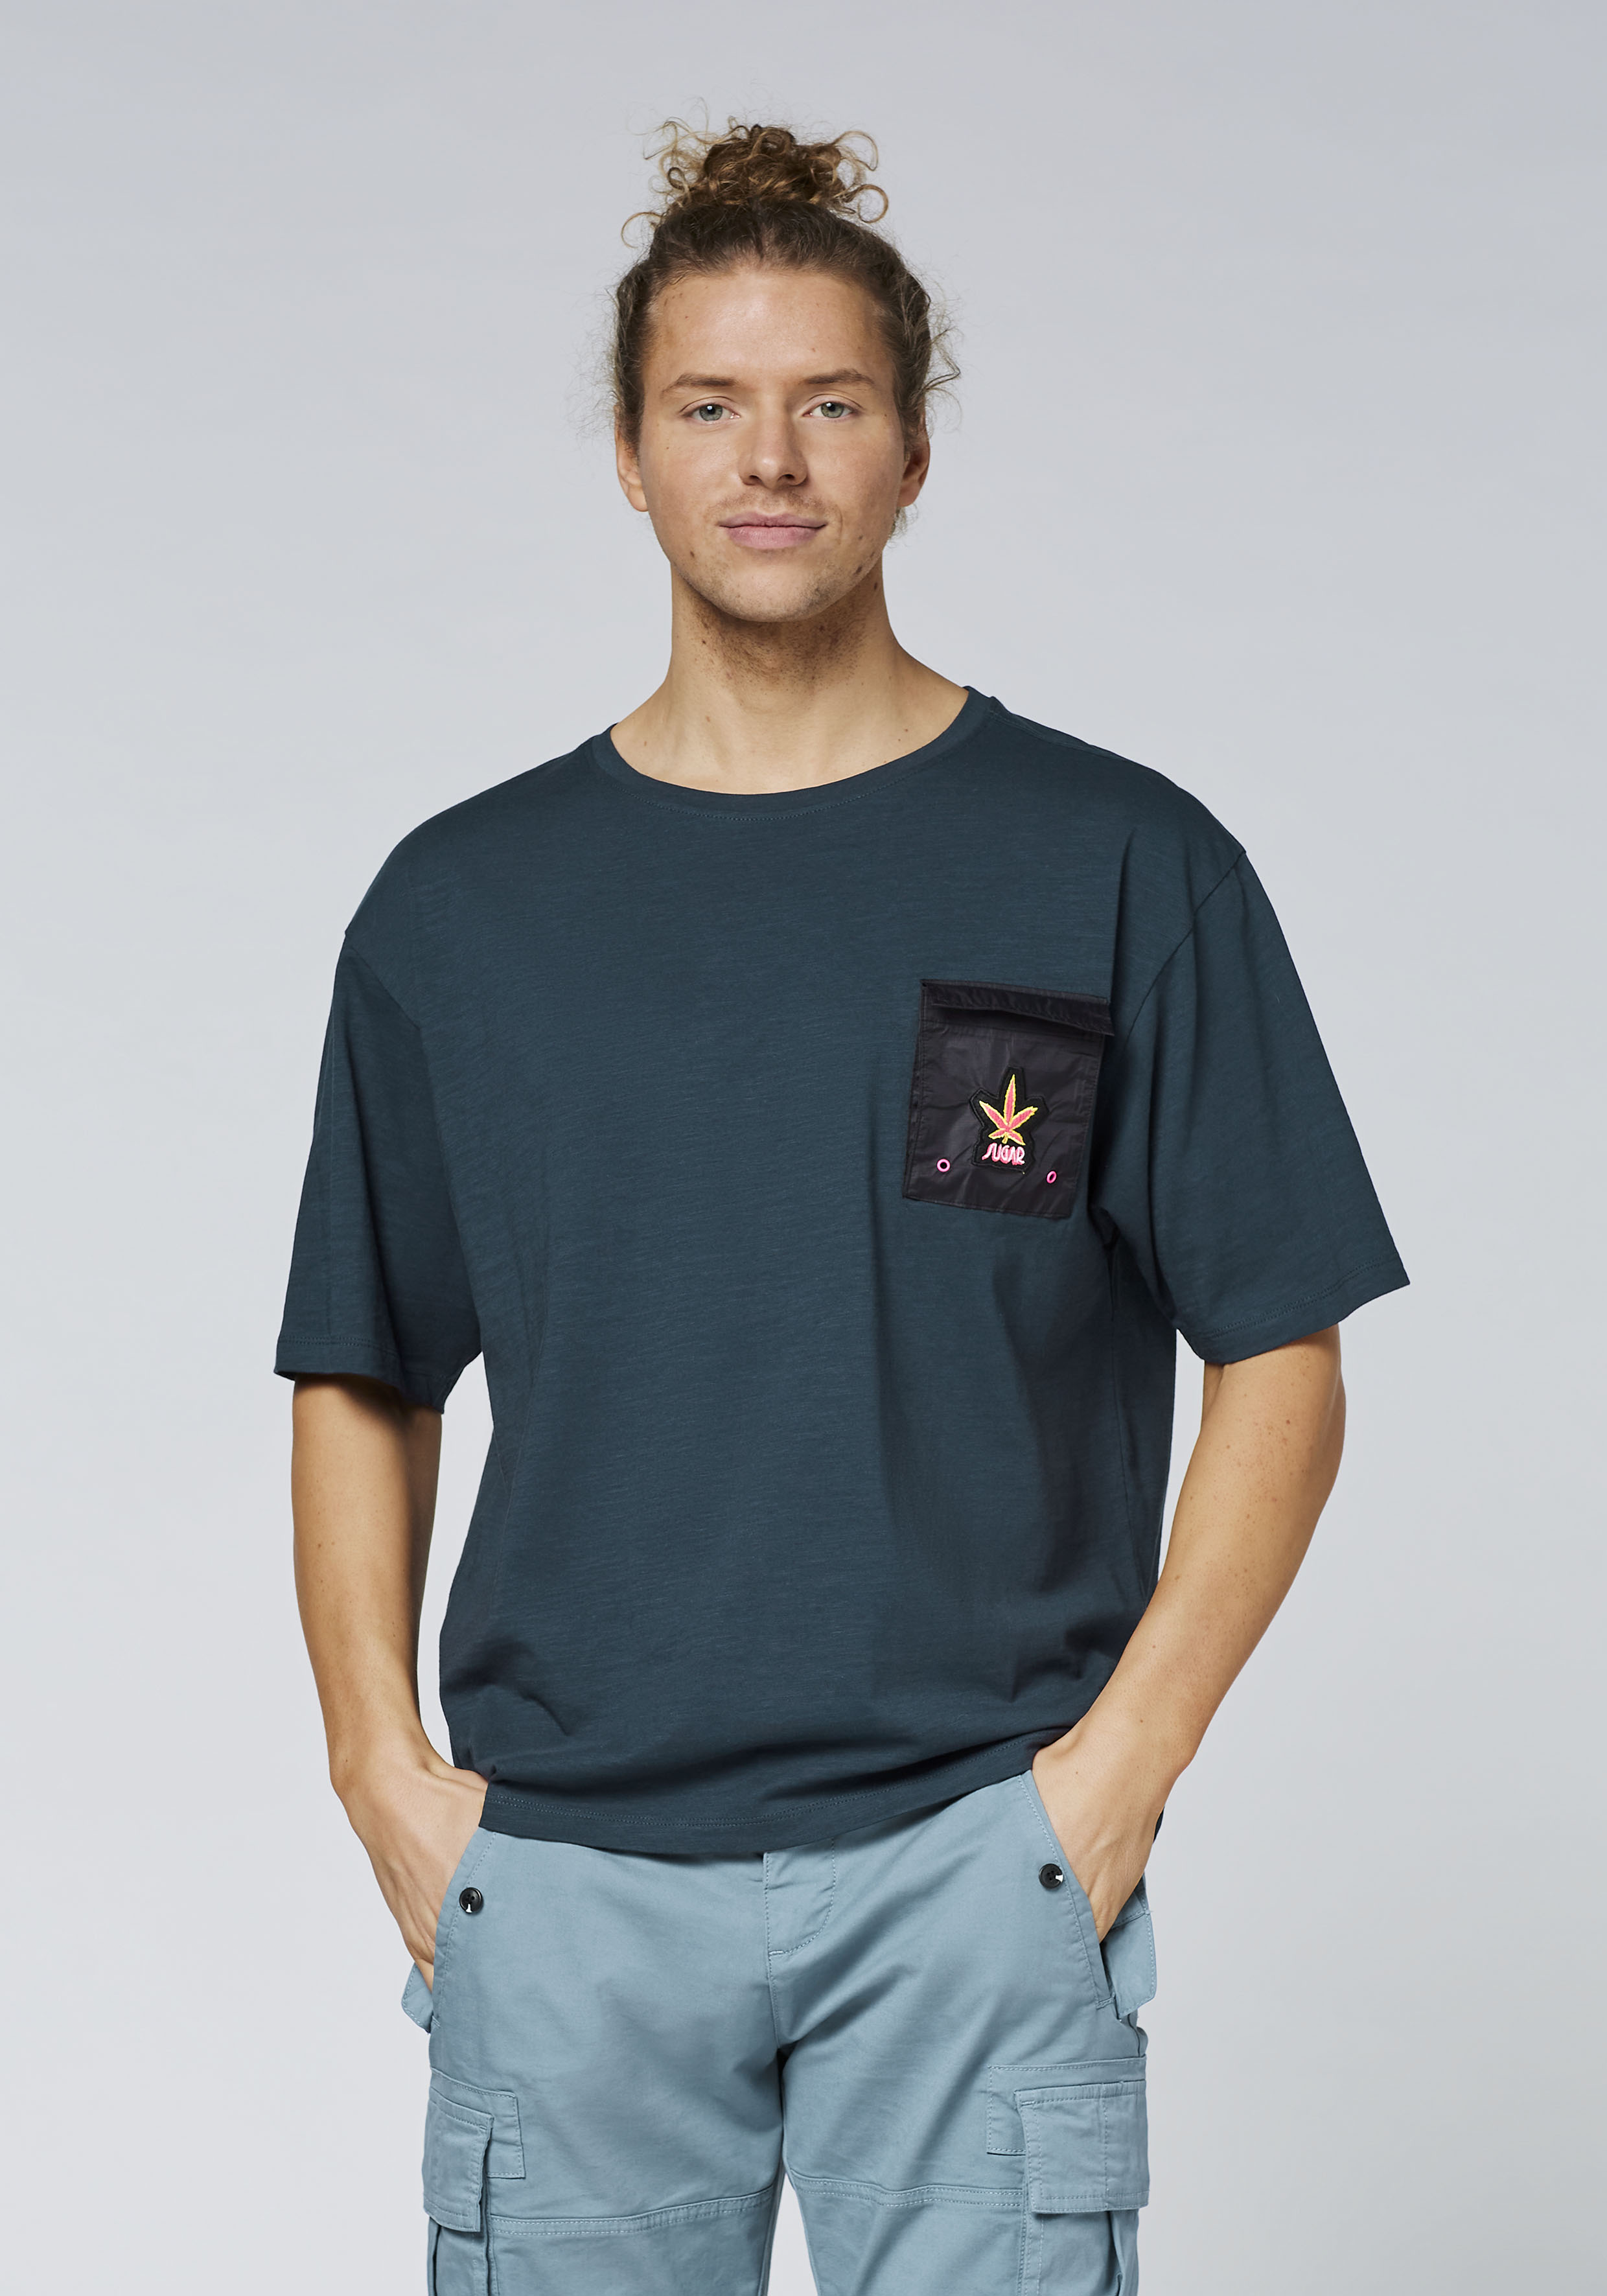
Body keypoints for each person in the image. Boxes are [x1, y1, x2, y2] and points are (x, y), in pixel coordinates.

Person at [279, 120, 1407, 2296]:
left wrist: (1122, 1773)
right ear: (631, 456)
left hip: (979, 1868)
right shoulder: (461, 910)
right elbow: (362, 1365)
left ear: (912, 451)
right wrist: (378, 1775)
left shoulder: (1121, 861)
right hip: (571, 1882)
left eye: (831, 402)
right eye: (710, 404)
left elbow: (1282, 1345)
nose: (771, 459)